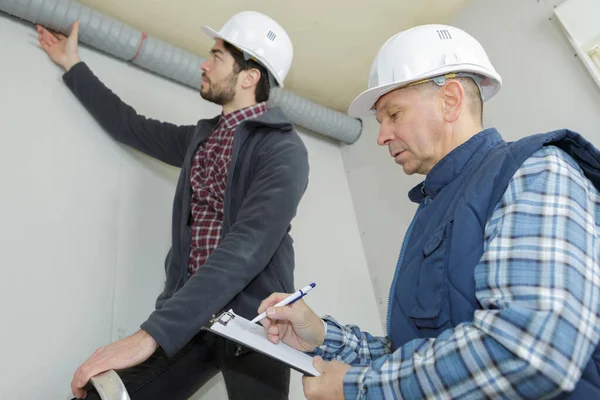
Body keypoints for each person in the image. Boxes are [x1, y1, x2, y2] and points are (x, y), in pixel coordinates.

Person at [258, 24, 600, 399]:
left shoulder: (535, 171)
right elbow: (413, 356)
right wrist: (322, 335)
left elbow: (533, 350)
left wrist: (356, 388)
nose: (381, 136)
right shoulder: (434, 208)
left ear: (451, 100)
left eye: (393, 114)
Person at [37, 11, 309, 400]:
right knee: (104, 395)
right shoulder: (201, 139)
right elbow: (129, 125)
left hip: (256, 325)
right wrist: (73, 65)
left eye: (216, 56)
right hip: (191, 319)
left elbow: (248, 245)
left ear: (250, 77)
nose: (204, 63)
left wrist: (152, 335)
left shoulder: (283, 149)